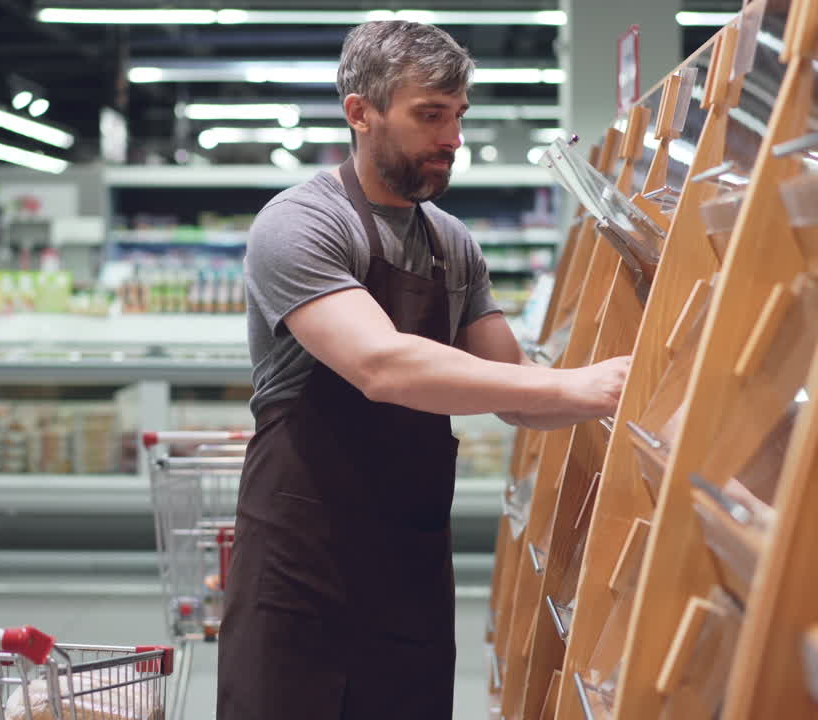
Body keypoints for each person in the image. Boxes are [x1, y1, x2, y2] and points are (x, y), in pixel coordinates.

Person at [218, 20, 632, 720]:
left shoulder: (451, 243)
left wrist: (636, 390)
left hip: (409, 566)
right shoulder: (302, 225)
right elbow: (380, 365)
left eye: (459, 116)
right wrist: (575, 384)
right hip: (300, 570)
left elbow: (519, 397)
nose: (452, 139)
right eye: (430, 116)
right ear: (361, 113)